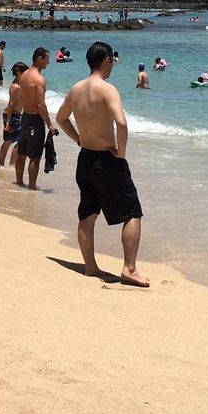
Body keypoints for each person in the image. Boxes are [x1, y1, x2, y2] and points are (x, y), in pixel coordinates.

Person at [56, 41, 148, 287]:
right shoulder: (107, 89)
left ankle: (90, 266)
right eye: (112, 62)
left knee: (87, 214)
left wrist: (78, 139)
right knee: (132, 211)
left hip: (85, 157)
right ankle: (129, 269)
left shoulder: (76, 89)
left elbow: (60, 118)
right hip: (107, 160)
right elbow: (122, 123)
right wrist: (122, 153)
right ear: (107, 60)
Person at [15, 47, 57, 190]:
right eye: (46, 59)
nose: (48, 63)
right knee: (35, 157)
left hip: (25, 117)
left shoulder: (24, 75)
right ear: (39, 59)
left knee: (21, 153)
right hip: (35, 120)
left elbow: (22, 97)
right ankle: (32, 188)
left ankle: (19, 182)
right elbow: (41, 105)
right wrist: (50, 125)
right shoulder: (39, 79)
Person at [0, 62, 27, 166]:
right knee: (18, 141)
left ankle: (2, 164)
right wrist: (7, 123)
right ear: (19, 73)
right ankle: (10, 165)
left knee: (9, 141)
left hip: (14, 115)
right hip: (11, 115)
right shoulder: (15, 86)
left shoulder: (19, 85)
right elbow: (11, 104)